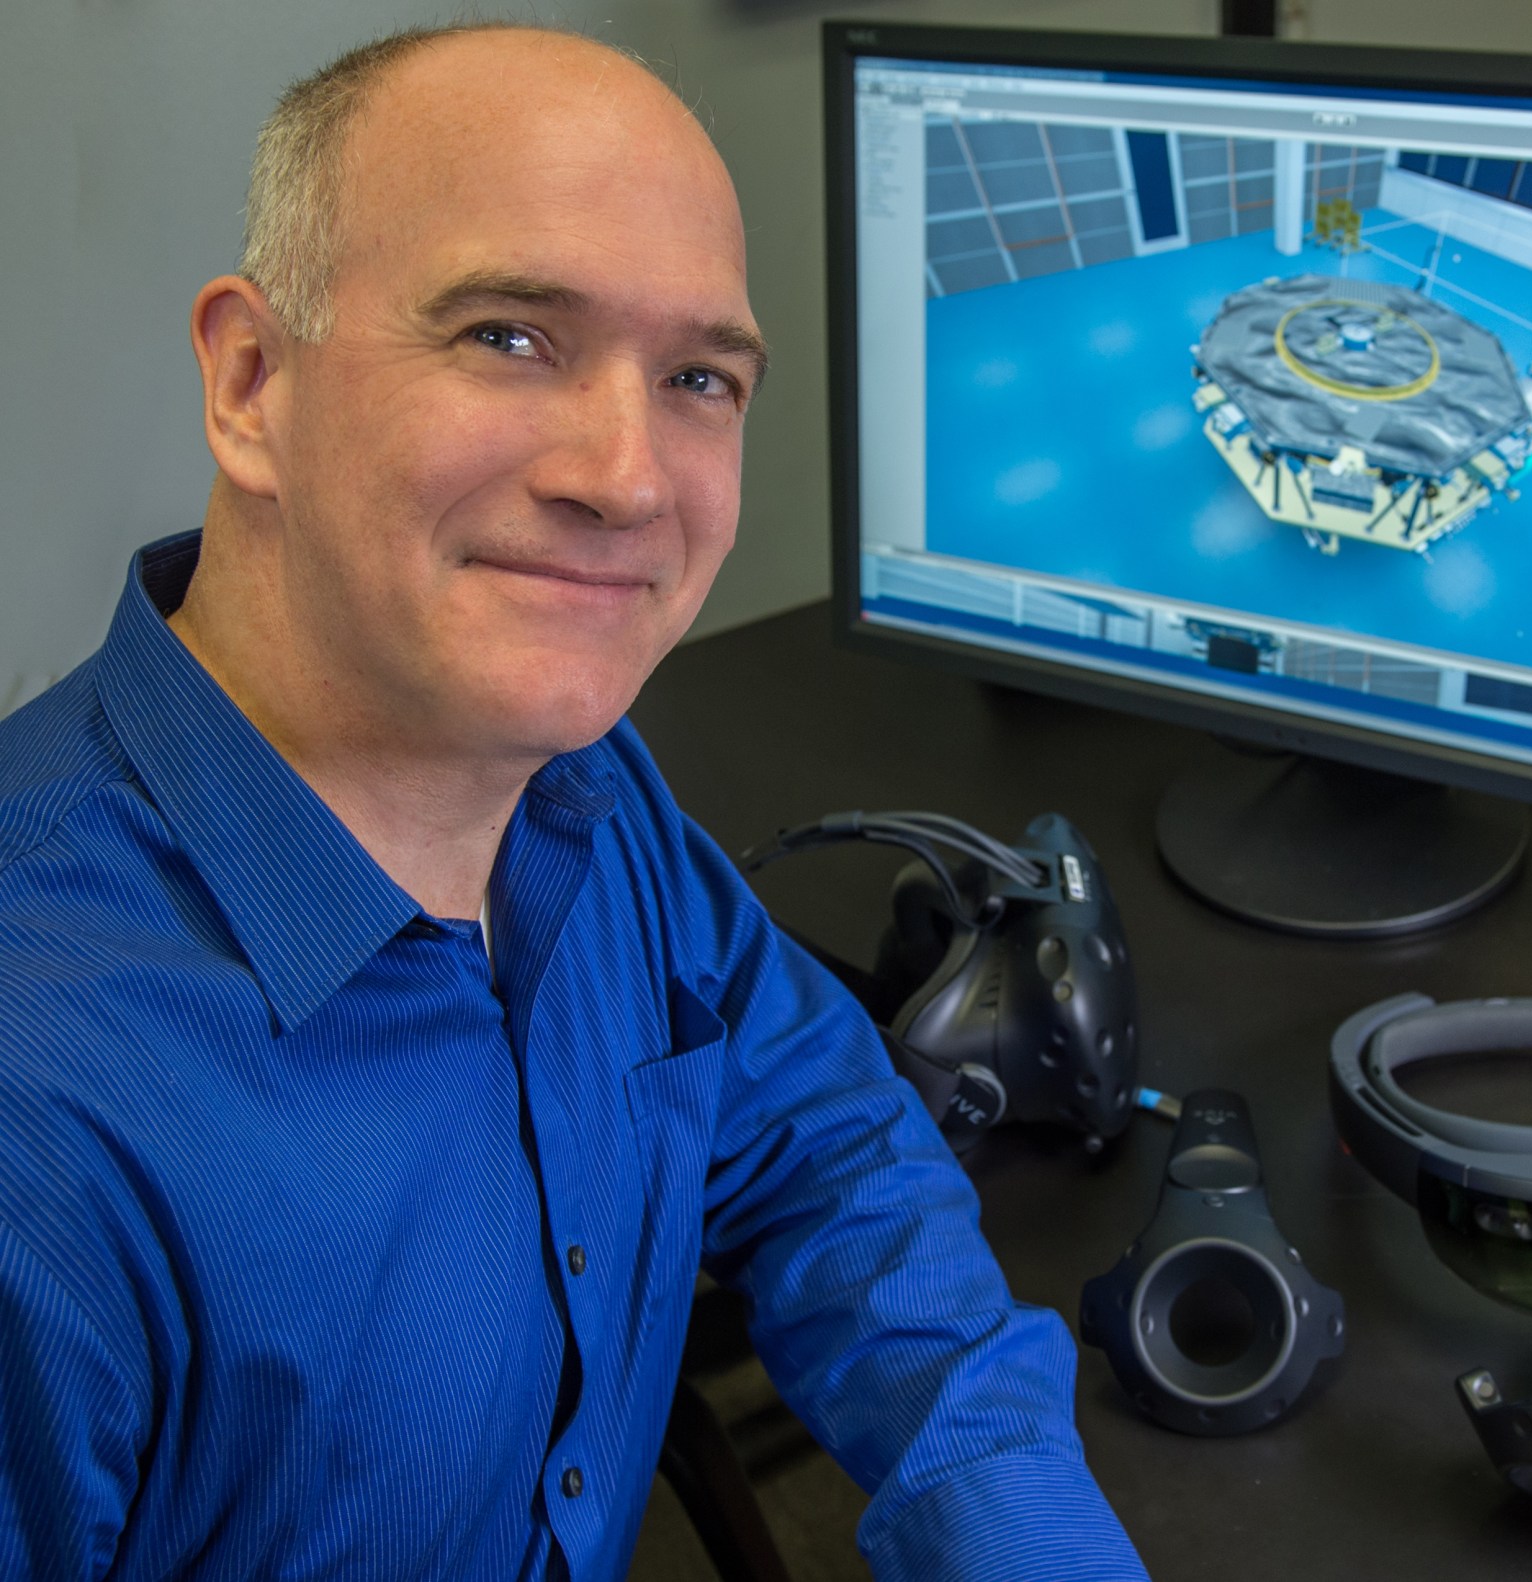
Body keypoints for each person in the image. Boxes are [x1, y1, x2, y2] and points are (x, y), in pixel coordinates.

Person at [0, 23, 1147, 1581]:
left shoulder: (580, 804)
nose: (626, 475)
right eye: (507, 336)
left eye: (697, 378)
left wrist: (1011, 1514)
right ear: (252, 378)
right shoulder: (40, 1132)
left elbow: (825, 1143)